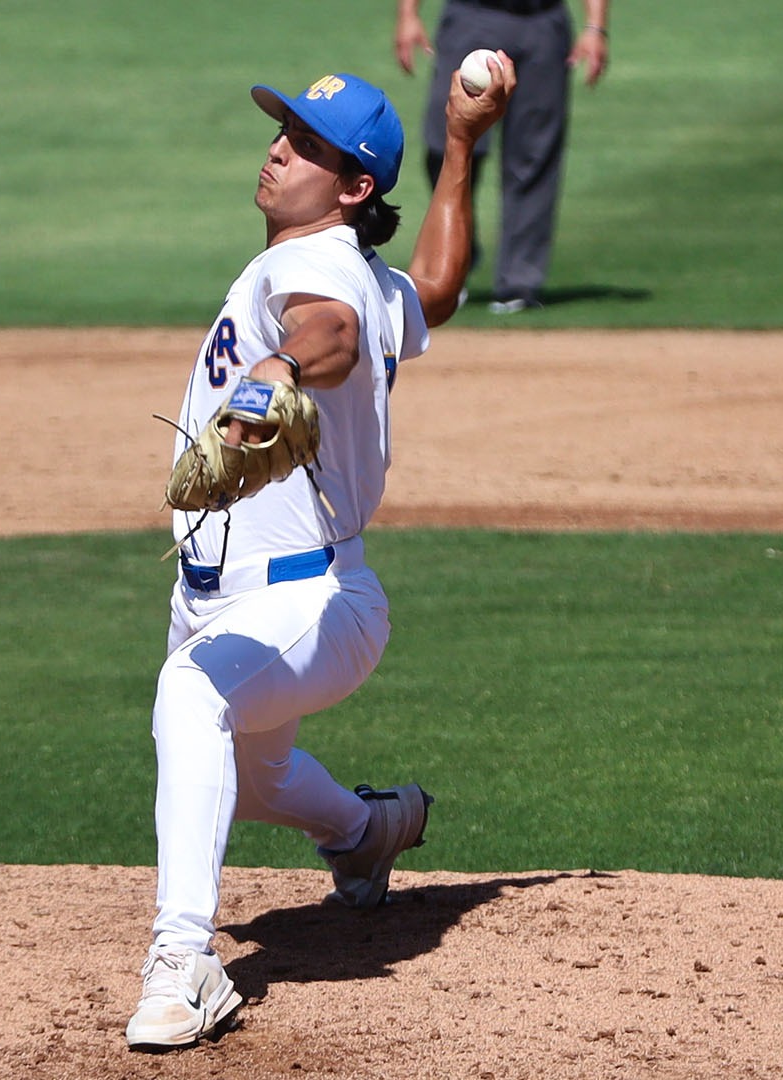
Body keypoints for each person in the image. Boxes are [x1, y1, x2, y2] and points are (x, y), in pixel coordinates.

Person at [125, 60, 516, 1051]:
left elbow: (328, 332)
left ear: (353, 189)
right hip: (245, 598)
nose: (278, 149)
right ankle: (365, 831)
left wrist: (283, 367)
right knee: (247, 777)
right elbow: (437, 286)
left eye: (307, 145)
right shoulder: (367, 271)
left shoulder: (322, 275)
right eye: (282, 130)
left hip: (312, 597)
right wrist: (463, 145)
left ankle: (184, 964)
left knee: (191, 696)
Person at [395, 0, 610, 313]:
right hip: (472, 16)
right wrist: (408, 14)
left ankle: (519, 283)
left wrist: (595, 27)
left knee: (535, 155)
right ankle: (455, 256)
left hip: (544, 21)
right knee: (445, 145)